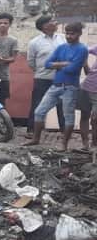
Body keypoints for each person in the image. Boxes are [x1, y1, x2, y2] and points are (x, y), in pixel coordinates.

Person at [26, 22, 88, 151]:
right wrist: (64, 63)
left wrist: (58, 65)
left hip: (70, 87)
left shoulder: (82, 49)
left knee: (68, 116)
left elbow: (73, 69)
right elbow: (47, 64)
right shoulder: (61, 47)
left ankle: (64, 144)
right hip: (56, 85)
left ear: (79, 34)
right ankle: (36, 139)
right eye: (67, 33)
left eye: (72, 34)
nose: (69, 36)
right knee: (39, 111)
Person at [26, 16, 66, 135]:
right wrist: (42, 70)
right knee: (38, 104)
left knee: (63, 105)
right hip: (42, 79)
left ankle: (64, 131)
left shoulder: (62, 38)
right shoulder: (34, 42)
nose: (56, 22)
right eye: (53, 21)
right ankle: (32, 130)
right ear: (44, 26)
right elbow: (31, 62)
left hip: (61, 78)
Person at [0, 13, 19, 106]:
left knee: (1, 101)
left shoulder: (13, 40)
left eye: (5, 23)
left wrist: (3, 60)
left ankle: (1, 120)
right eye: (0, 23)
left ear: (10, 24)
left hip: (3, 76)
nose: (2, 25)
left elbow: (13, 58)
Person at [80, 41, 97, 151]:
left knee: (95, 120)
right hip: (87, 87)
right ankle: (85, 144)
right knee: (85, 116)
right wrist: (85, 65)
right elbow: (84, 50)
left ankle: (94, 144)